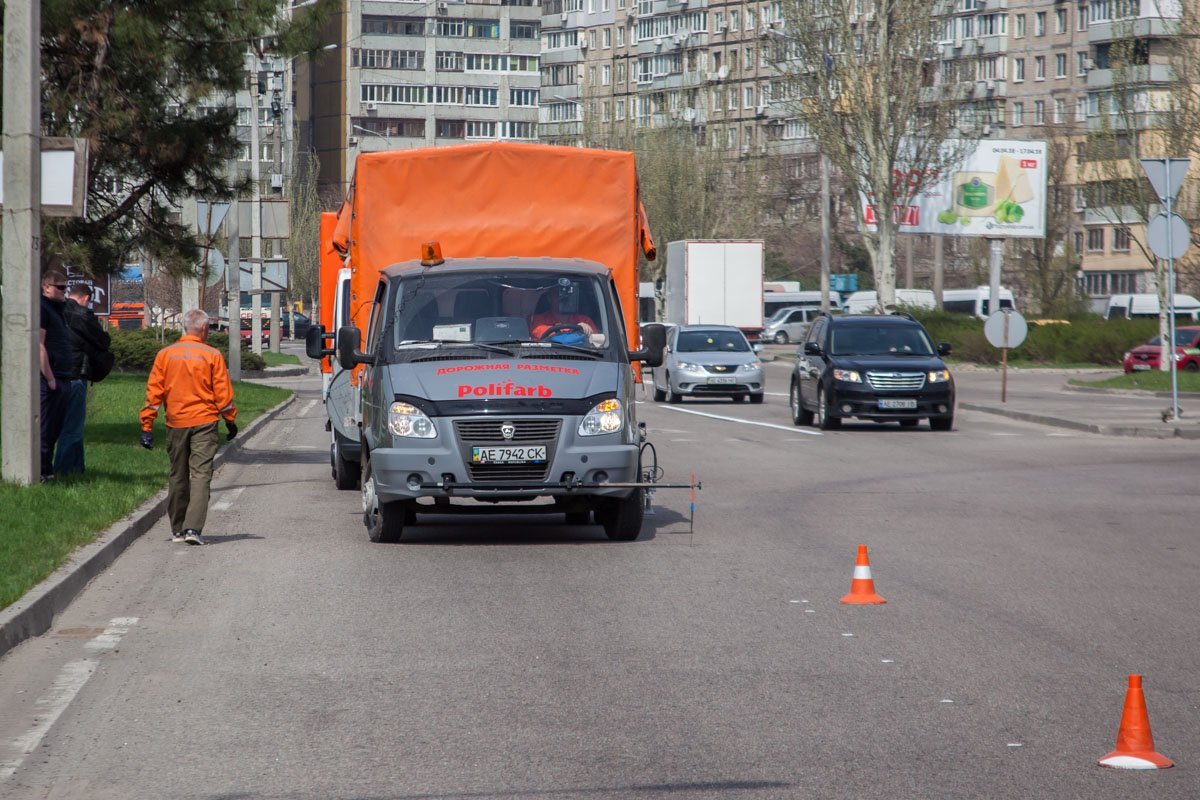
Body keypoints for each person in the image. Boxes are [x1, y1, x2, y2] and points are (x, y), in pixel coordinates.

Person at [139, 309, 238, 546]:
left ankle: (177, 529)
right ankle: (193, 529)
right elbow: (222, 394)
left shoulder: (165, 355)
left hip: (176, 423)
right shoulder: (212, 355)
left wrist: (147, 426)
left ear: (185, 328)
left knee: (178, 475)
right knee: (201, 475)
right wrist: (230, 420)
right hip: (204, 423)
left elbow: (154, 393)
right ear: (204, 329)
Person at [55, 283, 112, 475]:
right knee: (73, 427)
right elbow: (103, 341)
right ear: (86, 298)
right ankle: (63, 471)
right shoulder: (82, 315)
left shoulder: (55, 311)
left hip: (55, 374)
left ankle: (77, 469)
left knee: (66, 424)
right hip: (76, 373)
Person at [39, 270, 78, 482]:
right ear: (46, 287)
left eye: (66, 287)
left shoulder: (57, 310)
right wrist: (50, 378)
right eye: (60, 287)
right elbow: (39, 346)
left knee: (55, 428)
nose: (65, 291)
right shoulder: (43, 308)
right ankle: (43, 472)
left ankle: (48, 470)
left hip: (63, 377)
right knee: (45, 428)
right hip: (50, 380)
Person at [528, 287, 598, 341]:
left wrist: (588, 332)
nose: (563, 297)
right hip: (546, 356)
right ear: (549, 298)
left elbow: (597, 342)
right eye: (558, 294)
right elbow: (542, 334)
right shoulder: (537, 320)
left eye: (567, 294)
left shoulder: (585, 320)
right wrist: (578, 331)